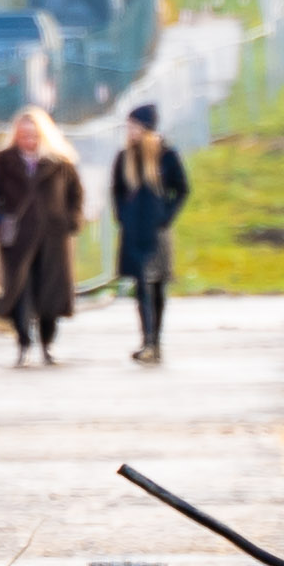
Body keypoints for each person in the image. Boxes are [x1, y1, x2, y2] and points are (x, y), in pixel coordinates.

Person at [0, 102, 84, 366]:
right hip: (18, 236)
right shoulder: (4, 161)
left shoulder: (60, 162)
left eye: (33, 136)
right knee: (19, 289)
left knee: (51, 290)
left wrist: (72, 220)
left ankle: (48, 343)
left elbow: (76, 194)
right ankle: (23, 342)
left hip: (54, 235)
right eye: (23, 135)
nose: (28, 141)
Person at [107, 97, 193, 366]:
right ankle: (146, 341)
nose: (130, 132)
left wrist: (166, 216)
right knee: (142, 285)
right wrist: (122, 216)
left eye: (134, 126)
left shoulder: (166, 155)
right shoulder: (124, 158)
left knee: (157, 286)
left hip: (157, 233)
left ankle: (155, 341)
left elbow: (182, 189)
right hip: (134, 232)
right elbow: (117, 191)